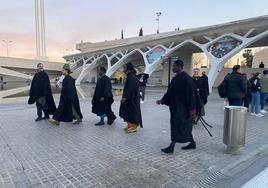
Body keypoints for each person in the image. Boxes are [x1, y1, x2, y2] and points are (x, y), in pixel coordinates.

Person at [157, 59, 197, 154]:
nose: (173, 68)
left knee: (178, 126)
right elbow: (170, 92)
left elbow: (191, 94)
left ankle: (171, 146)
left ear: (179, 67)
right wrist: (162, 100)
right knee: (183, 126)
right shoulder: (176, 78)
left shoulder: (186, 79)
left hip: (182, 108)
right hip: (176, 107)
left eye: (174, 66)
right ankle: (192, 143)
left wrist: (192, 109)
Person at [119, 63, 143, 133]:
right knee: (127, 111)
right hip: (130, 98)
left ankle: (134, 126)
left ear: (128, 69)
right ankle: (130, 124)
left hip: (132, 99)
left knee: (132, 112)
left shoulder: (131, 77)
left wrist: (125, 97)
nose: (124, 69)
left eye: (125, 68)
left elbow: (131, 88)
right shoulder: (130, 76)